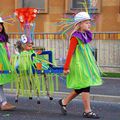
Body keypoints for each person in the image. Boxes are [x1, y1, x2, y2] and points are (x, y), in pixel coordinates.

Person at [58, 12, 102, 119]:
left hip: (85, 63)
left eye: (89, 23)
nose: (89, 25)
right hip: (78, 64)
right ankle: (87, 111)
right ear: (80, 24)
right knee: (85, 85)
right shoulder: (75, 37)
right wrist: (66, 67)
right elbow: (70, 53)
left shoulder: (84, 35)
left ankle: (64, 102)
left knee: (82, 86)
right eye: (87, 23)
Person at [0, 17, 16, 110]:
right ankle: (4, 102)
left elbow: (6, 50)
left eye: (1, 24)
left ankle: (3, 102)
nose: (0, 26)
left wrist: (9, 60)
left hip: (3, 63)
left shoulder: (3, 37)